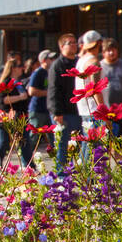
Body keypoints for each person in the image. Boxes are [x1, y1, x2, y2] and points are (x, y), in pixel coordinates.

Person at [47, 32, 80, 172]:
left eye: (75, 42)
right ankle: (62, 175)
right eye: (70, 43)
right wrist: (56, 112)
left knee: (79, 144)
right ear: (61, 47)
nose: (73, 45)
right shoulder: (57, 65)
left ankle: (77, 173)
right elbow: (53, 90)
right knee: (63, 144)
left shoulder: (79, 62)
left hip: (79, 110)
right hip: (63, 112)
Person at [0, 54, 28, 163]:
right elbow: (3, 100)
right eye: (19, 65)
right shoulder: (6, 82)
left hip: (20, 116)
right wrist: (20, 97)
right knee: (5, 141)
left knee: (24, 141)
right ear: (13, 68)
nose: (22, 68)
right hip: (8, 116)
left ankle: (30, 166)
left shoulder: (18, 82)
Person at [23, 49, 55, 165]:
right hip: (37, 110)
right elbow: (31, 91)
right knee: (33, 137)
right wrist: (48, 93)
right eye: (50, 58)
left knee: (54, 136)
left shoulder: (52, 71)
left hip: (49, 109)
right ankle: (26, 161)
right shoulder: (38, 72)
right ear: (43, 60)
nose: (52, 61)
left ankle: (59, 162)